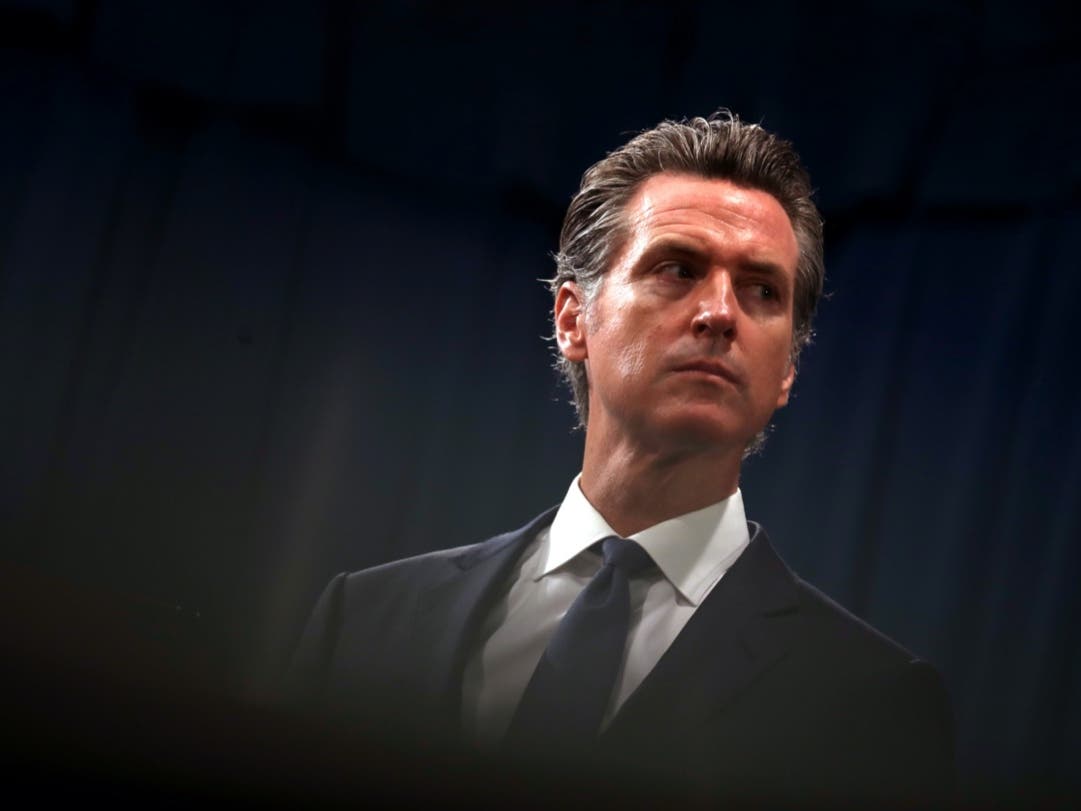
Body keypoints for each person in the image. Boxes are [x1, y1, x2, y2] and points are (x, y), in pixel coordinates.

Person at [287, 112, 955, 808]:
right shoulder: (364, 619)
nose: (720, 312)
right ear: (574, 319)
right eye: (677, 268)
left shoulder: (871, 703)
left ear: (787, 366)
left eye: (761, 289)